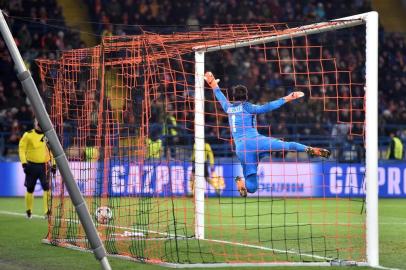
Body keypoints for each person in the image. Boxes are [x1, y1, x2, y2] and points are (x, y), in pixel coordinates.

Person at [204, 71, 330, 197]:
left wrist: (213, 83)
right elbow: (267, 107)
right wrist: (288, 98)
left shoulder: (228, 108)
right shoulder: (248, 107)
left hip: (242, 149)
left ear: (233, 97)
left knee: (252, 188)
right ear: (246, 96)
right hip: (257, 141)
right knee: (286, 145)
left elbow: (219, 94)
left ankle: (241, 182)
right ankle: (309, 149)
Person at [18, 119, 56, 219]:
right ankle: (29, 210)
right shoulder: (28, 135)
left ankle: (47, 211)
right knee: (30, 189)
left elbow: (51, 151)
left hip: (44, 166)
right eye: (38, 122)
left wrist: (54, 164)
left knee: (46, 187)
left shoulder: (47, 136)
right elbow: (22, 149)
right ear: (35, 123)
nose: (39, 124)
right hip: (31, 166)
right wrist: (24, 164)